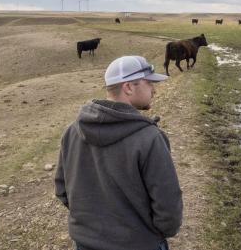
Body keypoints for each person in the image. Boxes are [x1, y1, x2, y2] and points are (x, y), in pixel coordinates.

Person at [55, 55, 183, 250]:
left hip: (85, 244)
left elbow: (62, 189)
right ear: (129, 87)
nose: (154, 90)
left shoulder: (72, 131)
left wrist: (89, 226)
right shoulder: (150, 138)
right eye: (149, 83)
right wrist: (152, 234)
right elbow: (169, 209)